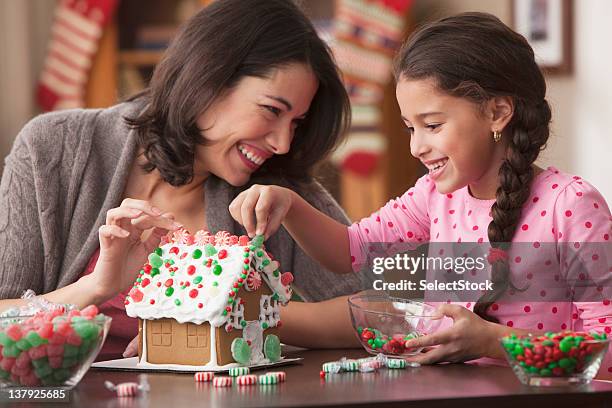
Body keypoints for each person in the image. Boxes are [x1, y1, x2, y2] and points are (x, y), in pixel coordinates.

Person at [229, 12, 612, 378]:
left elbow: (606, 350)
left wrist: (495, 342)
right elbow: (348, 252)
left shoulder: (571, 205)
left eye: (432, 125)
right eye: (410, 128)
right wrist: (291, 204)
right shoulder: (434, 196)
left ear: (497, 113)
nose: (416, 147)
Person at [0, 0, 363, 361]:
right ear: (208, 79)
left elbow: (382, 311)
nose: (283, 143)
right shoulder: (52, 149)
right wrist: (94, 289)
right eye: (271, 110)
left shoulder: (274, 190)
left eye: (296, 123)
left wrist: (230, 313)